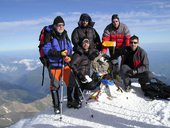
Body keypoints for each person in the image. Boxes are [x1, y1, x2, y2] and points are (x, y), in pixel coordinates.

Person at [42, 16, 72, 114]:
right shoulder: (49, 34)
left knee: (70, 82)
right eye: (59, 25)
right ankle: (56, 106)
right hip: (54, 65)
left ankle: (70, 101)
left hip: (65, 63)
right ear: (54, 26)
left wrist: (69, 56)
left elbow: (69, 47)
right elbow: (46, 50)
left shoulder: (65, 34)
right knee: (55, 86)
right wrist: (60, 54)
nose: (61, 27)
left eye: (62, 25)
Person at [102, 14, 131, 79]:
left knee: (124, 62)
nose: (115, 23)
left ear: (119, 21)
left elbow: (128, 39)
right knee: (114, 62)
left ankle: (124, 76)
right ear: (111, 22)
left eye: (116, 21)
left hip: (123, 47)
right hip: (113, 48)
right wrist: (103, 52)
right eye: (113, 21)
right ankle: (115, 76)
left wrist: (127, 49)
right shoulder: (108, 28)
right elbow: (104, 41)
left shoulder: (124, 27)